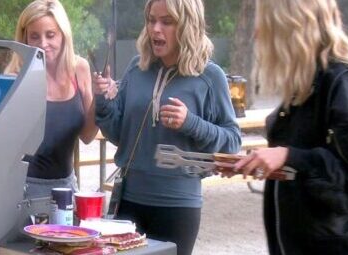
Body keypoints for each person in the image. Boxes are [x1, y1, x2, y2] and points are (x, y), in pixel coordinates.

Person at [93, 0, 241, 254]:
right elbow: (119, 135)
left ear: (187, 25)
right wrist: (104, 102)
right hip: (128, 202)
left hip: (178, 207)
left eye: (167, 22)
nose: (155, 29)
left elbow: (232, 143)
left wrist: (191, 123)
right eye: (151, 20)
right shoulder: (136, 68)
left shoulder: (210, 76)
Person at [231, 0, 348, 254]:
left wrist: (289, 156)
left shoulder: (342, 84)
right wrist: (261, 163)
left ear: (290, 27)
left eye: (265, 25)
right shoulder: (303, 87)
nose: (257, 33)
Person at [5, 0, 98, 199]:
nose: (43, 44)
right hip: (25, 189)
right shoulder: (15, 78)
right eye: (35, 36)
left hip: (67, 186)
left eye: (51, 35)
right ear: (25, 39)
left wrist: (100, 98)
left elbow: (88, 136)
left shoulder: (79, 69)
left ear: (64, 35)